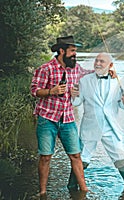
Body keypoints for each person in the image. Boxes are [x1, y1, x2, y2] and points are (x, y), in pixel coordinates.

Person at [30, 36, 92, 197]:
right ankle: (42, 192)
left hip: (68, 119)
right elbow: (34, 91)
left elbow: (88, 73)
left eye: (75, 51)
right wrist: (52, 91)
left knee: (76, 155)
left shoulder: (75, 68)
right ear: (62, 51)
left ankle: (84, 190)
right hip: (47, 118)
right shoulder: (46, 69)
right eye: (72, 51)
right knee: (45, 157)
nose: (75, 54)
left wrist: (106, 70)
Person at [69, 52, 124, 198]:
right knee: (82, 158)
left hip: (110, 128)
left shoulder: (118, 81)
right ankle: (71, 186)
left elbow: (122, 105)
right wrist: (73, 95)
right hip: (90, 126)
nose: (98, 63)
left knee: (120, 156)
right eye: (96, 61)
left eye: (102, 62)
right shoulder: (84, 80)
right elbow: (77, 103)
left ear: (110, 65)